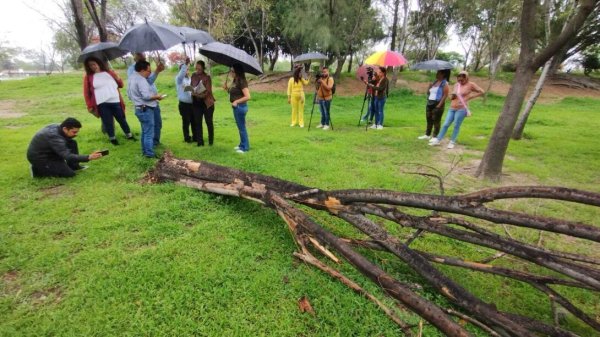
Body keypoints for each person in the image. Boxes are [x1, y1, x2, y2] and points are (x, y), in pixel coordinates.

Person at [27, 118, 104, 178]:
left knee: (72, 142)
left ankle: (74, 166)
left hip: (51, 152)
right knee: (69, 174)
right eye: (74, 132)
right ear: (65, 129)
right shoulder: (54, 137)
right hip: (40, 158)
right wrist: (89, 157)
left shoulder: (59, 128)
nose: (76, 134)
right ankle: (37, 170)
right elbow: (68, 156)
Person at [83, 56, 135, 145]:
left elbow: (121, 85)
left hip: (115, 100)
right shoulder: (89, 77)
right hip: (102, 102)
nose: (92, 66)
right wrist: (89, 105)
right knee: (108, 121)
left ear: (99, 63)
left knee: (121, 119)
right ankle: (112, 139)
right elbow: (86, 92)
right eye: (90, 65)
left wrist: (118, 77)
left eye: (94, 64)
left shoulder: (110, 73)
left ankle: (129, 135)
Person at [429, 71, 484, 149]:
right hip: (452, 108)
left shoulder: (471, 85)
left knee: (456, 125)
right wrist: (451, 96)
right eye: (459, 79)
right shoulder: (456, 85)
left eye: (462, 80)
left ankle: (452, 141)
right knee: (446, 124)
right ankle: (438, 139)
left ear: (466, 78)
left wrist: (470, 97)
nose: (460, 81)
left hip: (461, 109)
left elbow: (481, 92)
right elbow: (453, 96)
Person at [127, 60, 167, 158]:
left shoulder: (132, 77)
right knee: (149, 133)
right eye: (149, 71)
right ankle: (149, 154)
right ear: (142, 70)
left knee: (145, 132)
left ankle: (145, 151)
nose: (149, 73)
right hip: (145, 109)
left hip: (139, 108)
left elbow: (129, 94)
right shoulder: (141, 79)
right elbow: (146, 96)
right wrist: (157, 96)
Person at [223, 64, 251, 153]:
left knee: (242, 127)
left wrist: (236, 102)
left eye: (232, 71)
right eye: (231, 71)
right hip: (236, 107)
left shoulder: (242, 81)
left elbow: (248, 96)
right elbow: (235, 93)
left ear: (237, 72)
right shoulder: (236, 80)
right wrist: (226, 89)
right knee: (240, 127)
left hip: (240, 107)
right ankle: (241, 145)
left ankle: (245, 147)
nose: (231, 73)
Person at [418, 69, 450, 140]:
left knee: (436, 121)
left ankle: (435, 136)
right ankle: (427, 135)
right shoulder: (435, 82)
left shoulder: (445, 83)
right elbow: (428, 93)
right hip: (430, 103)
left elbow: (445, 95)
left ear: (443, 74)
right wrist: (429, 86)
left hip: (437, 103)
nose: (437, 74)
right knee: (429, 120)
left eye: (438, 73)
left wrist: (439, 105)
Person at [190, 60, 216, 146]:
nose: (197, 70)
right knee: (198, 123)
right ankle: (200, 142)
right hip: (196, 103)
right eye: (196, 68)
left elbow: (208, 92)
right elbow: (191, 86)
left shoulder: (207, 77)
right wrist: (192, 91)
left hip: (206, 103)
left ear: (203, 68)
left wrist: (197, 94)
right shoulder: (193, 76)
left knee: (209, 122)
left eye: (199, 69)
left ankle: (211, 141)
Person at [175, 58, 195, 143]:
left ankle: (195, 136)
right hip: (184, 104)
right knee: (186, 122)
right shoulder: (179, 79)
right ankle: (187, 138)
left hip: (193, 103)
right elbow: (181, 74)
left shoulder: (190, 79)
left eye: (188, 70)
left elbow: (193, 88)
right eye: (186, 70)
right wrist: (185, 64)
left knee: (194, 121)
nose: (187, 71)